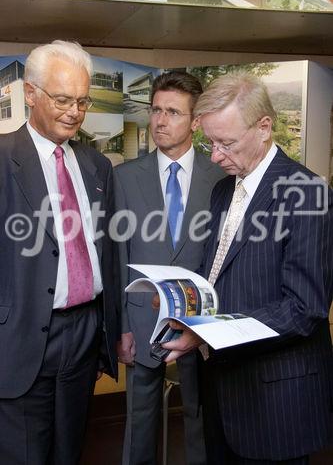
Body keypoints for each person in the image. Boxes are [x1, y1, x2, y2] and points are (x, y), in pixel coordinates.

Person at [162, 72, 333, 464]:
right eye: (210, 142)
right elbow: (222, 271)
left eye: (226, 143)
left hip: (275, 399)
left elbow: (305, 308)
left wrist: (209, 333)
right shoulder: (224, 189)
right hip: (223, 390)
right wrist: (186, 307)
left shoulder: (308, 194)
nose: (215, 156)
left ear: (264, 128)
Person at [0, 40, 120, 465]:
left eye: (82, 101)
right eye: (63, 99)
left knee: (70, 451)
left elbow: (107, 250)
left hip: (84, 334)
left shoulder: (96, 165)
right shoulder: (3, 159)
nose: (74, 112)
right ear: (30, 93)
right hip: (20, 338)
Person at [114, 71, 224, 465]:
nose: (160, 120)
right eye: (156, 110)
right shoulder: (123, 177)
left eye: (173, 112)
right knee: (138, 423)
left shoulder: (221, 180)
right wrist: (122, 327)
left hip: (201, 325)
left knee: (201, 421)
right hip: (142, 325)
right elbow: (118, 257)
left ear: (195, 122)